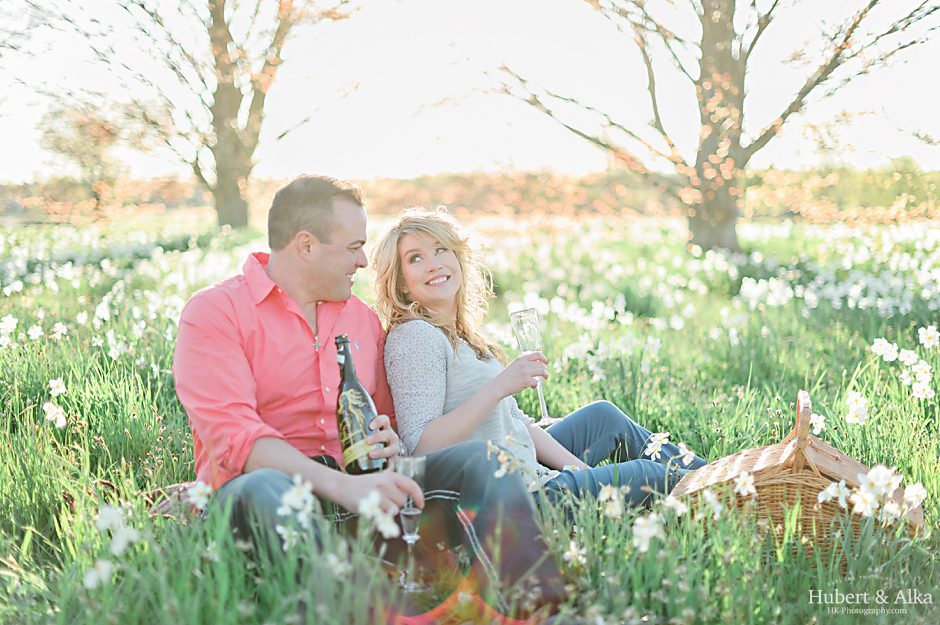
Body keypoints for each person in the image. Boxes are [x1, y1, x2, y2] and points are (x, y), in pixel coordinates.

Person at [172, 177, 567, 621]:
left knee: (481, 459)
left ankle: (540, 608)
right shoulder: (215, 313)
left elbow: (400, 428)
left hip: (365, 497)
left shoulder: (360, 320)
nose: (363, 261)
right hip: (269, 503)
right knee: (265, 487)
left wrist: (390, 442)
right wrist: (345, 487)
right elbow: (236, 440)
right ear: (306, 246)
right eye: (353, 247)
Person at [372, 208, 708, 511]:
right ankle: (720, 496)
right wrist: (500, 386)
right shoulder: (415, 336)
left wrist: (583, 473)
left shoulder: (460, 334)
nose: (434, 263)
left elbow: (518, 425)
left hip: (528, 465)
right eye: (415, 258)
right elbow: (421, 448)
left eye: (441, 249)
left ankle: (722, 475)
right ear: (401, 283)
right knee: (650, 474)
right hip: (511, 494)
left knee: (603, 416)